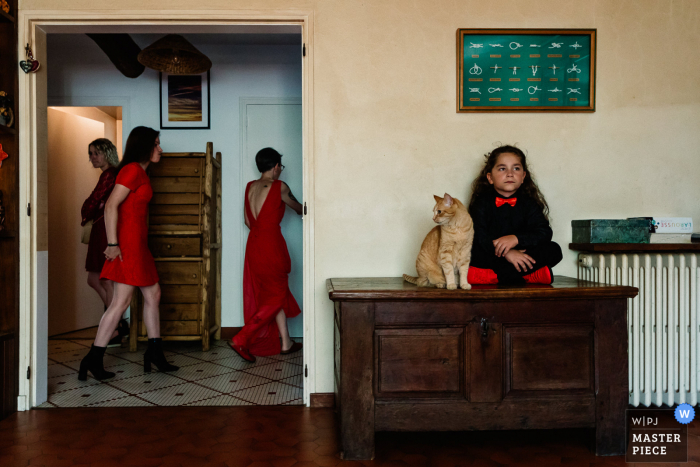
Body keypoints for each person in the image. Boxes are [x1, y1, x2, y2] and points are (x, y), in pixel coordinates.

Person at [78, 127, 178, 381]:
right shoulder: (132, 170)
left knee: (153, 294)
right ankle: (93, 358)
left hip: (138, 244)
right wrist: (113, 244)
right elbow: (111, 205)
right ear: (144, 146)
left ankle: (155, 353)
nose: (160, 149)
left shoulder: (140, 172)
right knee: (120, 302)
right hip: (127, 244)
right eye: (156, 144)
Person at [229, 147, 303, 363]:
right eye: (281, 166)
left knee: (272, 293)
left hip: (254, 245)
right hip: (271, 244)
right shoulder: (279, 187)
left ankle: (286, 342)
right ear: (277, 166)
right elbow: (299, 208)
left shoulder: (249, 187)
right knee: (277, 294)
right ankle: (241, 338)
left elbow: (246, 221)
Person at [466, 145, 562, 285]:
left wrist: (516, 239)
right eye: (502, 168)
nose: (510, 173)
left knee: (554, 249)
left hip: (522, 253)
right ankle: (529, 276)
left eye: (516, 168)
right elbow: (479, 236)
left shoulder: (529, 203)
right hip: (492, 253)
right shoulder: (481, 203)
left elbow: (544, 232)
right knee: (470, 250)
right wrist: (507, 253)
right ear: (490, 177)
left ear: (523, 176)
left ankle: (493, 276)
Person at [80, 138, 128, 347]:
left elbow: (89, 204)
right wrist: (94, 206)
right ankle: (117, 323)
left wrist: (94, 206)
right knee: (95, 278)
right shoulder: (109, 175)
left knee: (106, 280)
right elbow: (93, 203)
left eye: (95, 153)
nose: (91, 158)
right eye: (90, 153)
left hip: (104, 231)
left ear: (106, 153)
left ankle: (115, 328)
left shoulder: (109, 175)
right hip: (101, 229)